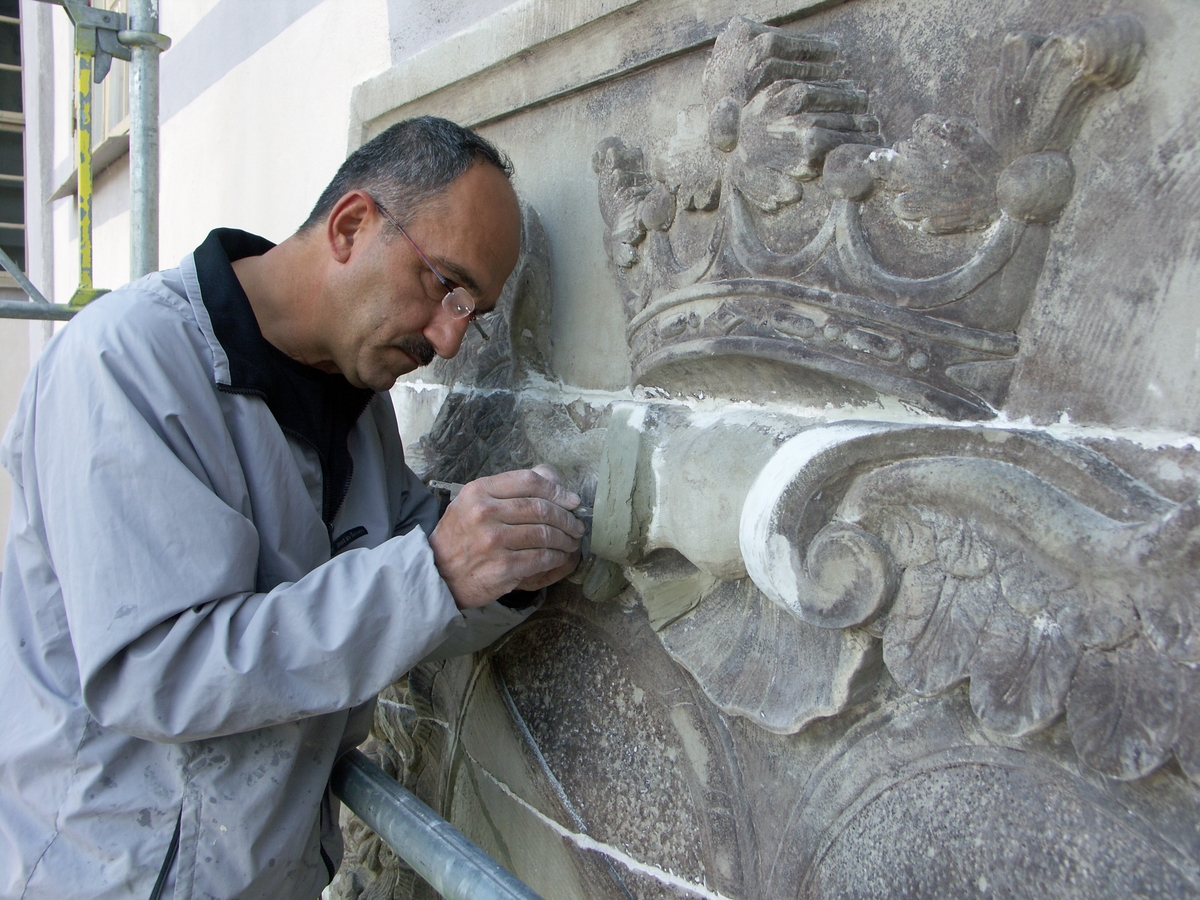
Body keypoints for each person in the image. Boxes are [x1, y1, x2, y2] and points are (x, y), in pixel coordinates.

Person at [0, 116, 584, 899]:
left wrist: (516, 566)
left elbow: (404, 587)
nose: (449, 338)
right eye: (446, 286)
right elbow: (161, 671)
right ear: (350, 226)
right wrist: (439, 569)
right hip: (110, 877)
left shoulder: (355, 403)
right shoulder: (124, 364)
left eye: (472, 314)